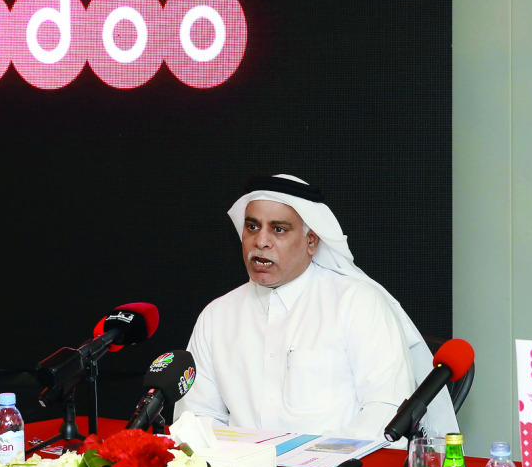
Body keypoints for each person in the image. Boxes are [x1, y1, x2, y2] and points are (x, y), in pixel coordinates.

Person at [175, 174, 459, 440]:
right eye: (252, 227)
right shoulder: (217, 315)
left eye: (278, 229)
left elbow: (385, 410)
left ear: (311, 241)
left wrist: (322, 462)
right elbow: (197, 415)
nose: (261, 241)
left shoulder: (357, 302)